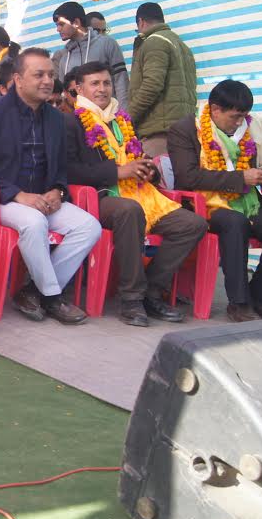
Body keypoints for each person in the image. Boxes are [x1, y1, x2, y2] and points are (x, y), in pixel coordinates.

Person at [62, 62, 207, 327]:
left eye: (106, 83)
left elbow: (133, 157)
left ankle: (152, 291)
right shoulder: (71, 123)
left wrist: (145, 169)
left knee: (193, 223)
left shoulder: (122, 120)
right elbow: (70, 170)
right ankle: (131, 300)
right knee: (129, 210)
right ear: (79, 89)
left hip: (141, 193)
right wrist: (118, 172)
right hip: (100, 196)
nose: (102, 89)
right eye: (94, 84)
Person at [0, 48, 101, 325]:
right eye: (38, 75)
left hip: (41, 200)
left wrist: (59, 191)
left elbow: (61, 168)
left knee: (89, 227)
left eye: (51, 74)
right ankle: (52, 297)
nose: (47, 81)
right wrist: (17, 194)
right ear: (18, 79)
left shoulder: (55, 118)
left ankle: (32, 291)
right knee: (34, 222)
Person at [168, 80, 262, 322]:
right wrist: (241, 177)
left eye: (244, 116)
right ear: (215, 109)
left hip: (245, 198)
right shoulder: (185, 129)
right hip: (203, 202)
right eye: (235, 117)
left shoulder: (247, 128)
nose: (240, 122)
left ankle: (261, 297)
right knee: (234, 223)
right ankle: (239, 303)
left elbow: (251, 168)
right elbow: (188, 176)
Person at [129, 2, 198, 157]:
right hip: (184, 129)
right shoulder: (182, 46)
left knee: (156, 180)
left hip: (159, 133)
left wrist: (128, 117)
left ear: (141, 22)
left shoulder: (154, 42)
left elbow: (152, 85)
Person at [51, 2, 129, 110]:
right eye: (57, 25)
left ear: (76, 22)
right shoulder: (64, 57)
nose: (58, 29)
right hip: (78, 122)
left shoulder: (107, 44)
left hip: (109, 120)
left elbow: (121, 83)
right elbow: (65, 95)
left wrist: (124, 118)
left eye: (61, 24)